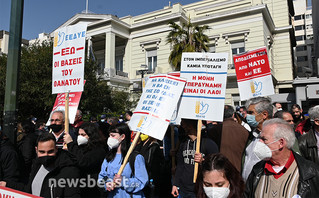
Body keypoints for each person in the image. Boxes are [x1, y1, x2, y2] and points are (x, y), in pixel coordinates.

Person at [244, 118, 319, 197]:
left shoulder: (311, 172)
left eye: (264, 139)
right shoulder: (257, 170)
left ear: (281, 143)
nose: (259, 142)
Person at [1, 133, 81, 197]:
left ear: (56, 149)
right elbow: (30, 190)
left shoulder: (69, 170)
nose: (46, 155)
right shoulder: (37, 165)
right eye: (42, 152)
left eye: (50, 152)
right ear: (36, 150)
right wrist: (8, 185)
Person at [172, 119, 219, 198]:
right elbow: (180, 165)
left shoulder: (209, 144)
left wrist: (203, 161)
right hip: (184, 189)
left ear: (190, 125)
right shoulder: (183, 144)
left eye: (183, 123)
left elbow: (217, 165)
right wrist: (175, 184)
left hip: (200, 189)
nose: (181, 125)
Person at [98, 123, 148, 197]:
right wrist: (106, 184)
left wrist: (124, 181)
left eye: (113, 136)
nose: (110, 138)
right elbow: (101, 177)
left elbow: (142, 182)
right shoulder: (109, 157)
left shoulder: (135, 157)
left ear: (122, 137)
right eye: (109, 135)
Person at [64, 122, 107, 197]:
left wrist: (71, 144)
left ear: (91, 135)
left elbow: (83, 162)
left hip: (92, 188)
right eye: (79, 134)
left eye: (83, 135)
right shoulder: (81, 147)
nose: (80, 137)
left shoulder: (99, 150)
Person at [241, 97, 273, 181]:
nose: (247, 116)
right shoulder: (252, 135)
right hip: (248, 188)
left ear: (264, 115)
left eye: (251, 113)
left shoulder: (278, 135)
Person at [220, 105, 249, 172]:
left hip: (220, 169)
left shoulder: (215, 130)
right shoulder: (243, 130)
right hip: (238, 169)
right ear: (233, 115)